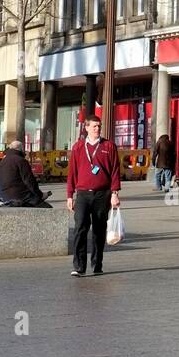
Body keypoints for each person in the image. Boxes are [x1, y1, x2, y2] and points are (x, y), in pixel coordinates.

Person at [66, 118, 121, 277]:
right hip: (83, 193)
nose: (97, 128)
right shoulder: (78, 147)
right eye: (94, 126)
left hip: (102, 194)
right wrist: (70, 195)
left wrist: (114, 193)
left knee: (99, 230)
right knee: (80, 229)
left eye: (99, 126)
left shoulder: (108, 146)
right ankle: (79, 266)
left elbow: (115, 171)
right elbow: (72, 173)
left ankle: (97, 264)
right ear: (87, 127)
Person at [0, 140, 51, 207]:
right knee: (47, 208)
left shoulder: (0, 164)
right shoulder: (21, 161)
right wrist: (40, 195)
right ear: (21, 150)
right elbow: (30, 182)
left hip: (1, 198)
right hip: (19, 197)